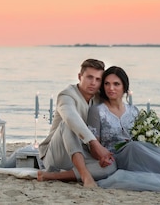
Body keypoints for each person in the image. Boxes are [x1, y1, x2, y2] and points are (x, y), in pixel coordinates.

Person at [37, 59, 117, 187]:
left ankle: (52, 176)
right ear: (80, 77)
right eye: (89, 77)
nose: (93, 83)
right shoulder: (66, 95)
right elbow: (70, 117)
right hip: (57, 155)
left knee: (111, 167)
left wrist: (101, 154)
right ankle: (85, 175)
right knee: (68, 124)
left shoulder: (99, 99)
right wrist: (95, 144)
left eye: (98, 79)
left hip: (82, 153)